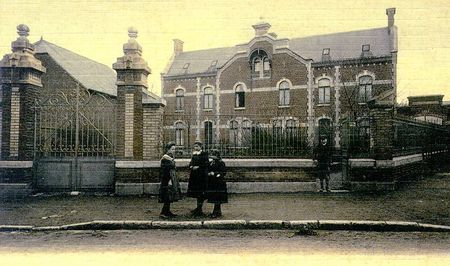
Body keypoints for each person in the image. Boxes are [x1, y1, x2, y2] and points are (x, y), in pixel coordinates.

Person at [159, 142, 181, 218]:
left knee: (170, 195)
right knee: (167, 195)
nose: (173, 150)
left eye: (174, 149)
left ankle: (167, 211)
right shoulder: (165, 158)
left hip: (171, 178)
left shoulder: (170, 157)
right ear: (168, 149)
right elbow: (165, 170)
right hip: (167, 179)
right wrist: (169, 180)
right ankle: (163, 212)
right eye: (172, 149)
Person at [187, 141, 209, 216]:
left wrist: (199, 167)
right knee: (196, 193)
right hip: (194, 176)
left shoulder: (204, 154)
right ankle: (198, 208)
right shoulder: (194, 154)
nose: (195, 148)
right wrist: (191, 166)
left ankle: (200, 209)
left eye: (197, 146)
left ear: (200, 147)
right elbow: (191, 163)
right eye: (195, 146)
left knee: (201, 193)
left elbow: (206, 164)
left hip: (201, 176)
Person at [205, 149, 228, 218]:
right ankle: (217, 212)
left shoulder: (221, 163)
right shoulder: (211, 162)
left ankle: (216, 212)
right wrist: (208, 173)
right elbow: (207, 169)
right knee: (215, 198)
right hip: (213, 183)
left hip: (219, 183)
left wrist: (214, 174)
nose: (212, 157)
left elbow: (223, 172)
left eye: (213, 156)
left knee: (217, 198)